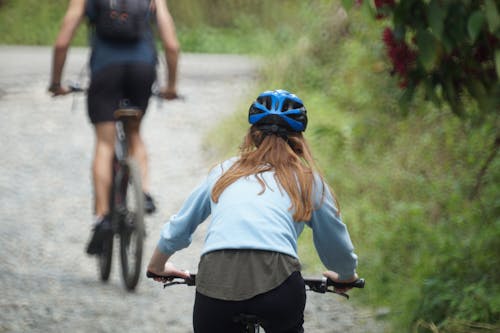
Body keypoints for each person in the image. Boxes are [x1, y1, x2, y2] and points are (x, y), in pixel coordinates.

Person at [147, 89, 359, 332]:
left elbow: (180, 227)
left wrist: (158, 266)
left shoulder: (225, 172)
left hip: (216, 277)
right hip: (279, 281)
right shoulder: (307, 180)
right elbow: (334, 241)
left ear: (252, 135)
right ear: (299, 139)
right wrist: (345, 275)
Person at [48, 0, 180, 255]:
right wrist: (172, 86)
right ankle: (144, 192)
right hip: (142, 70)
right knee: (134, 133)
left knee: (105, 143)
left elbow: (63, 41)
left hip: (105, 71)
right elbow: (172, 45)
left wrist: (56, 83)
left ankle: (102, 218)